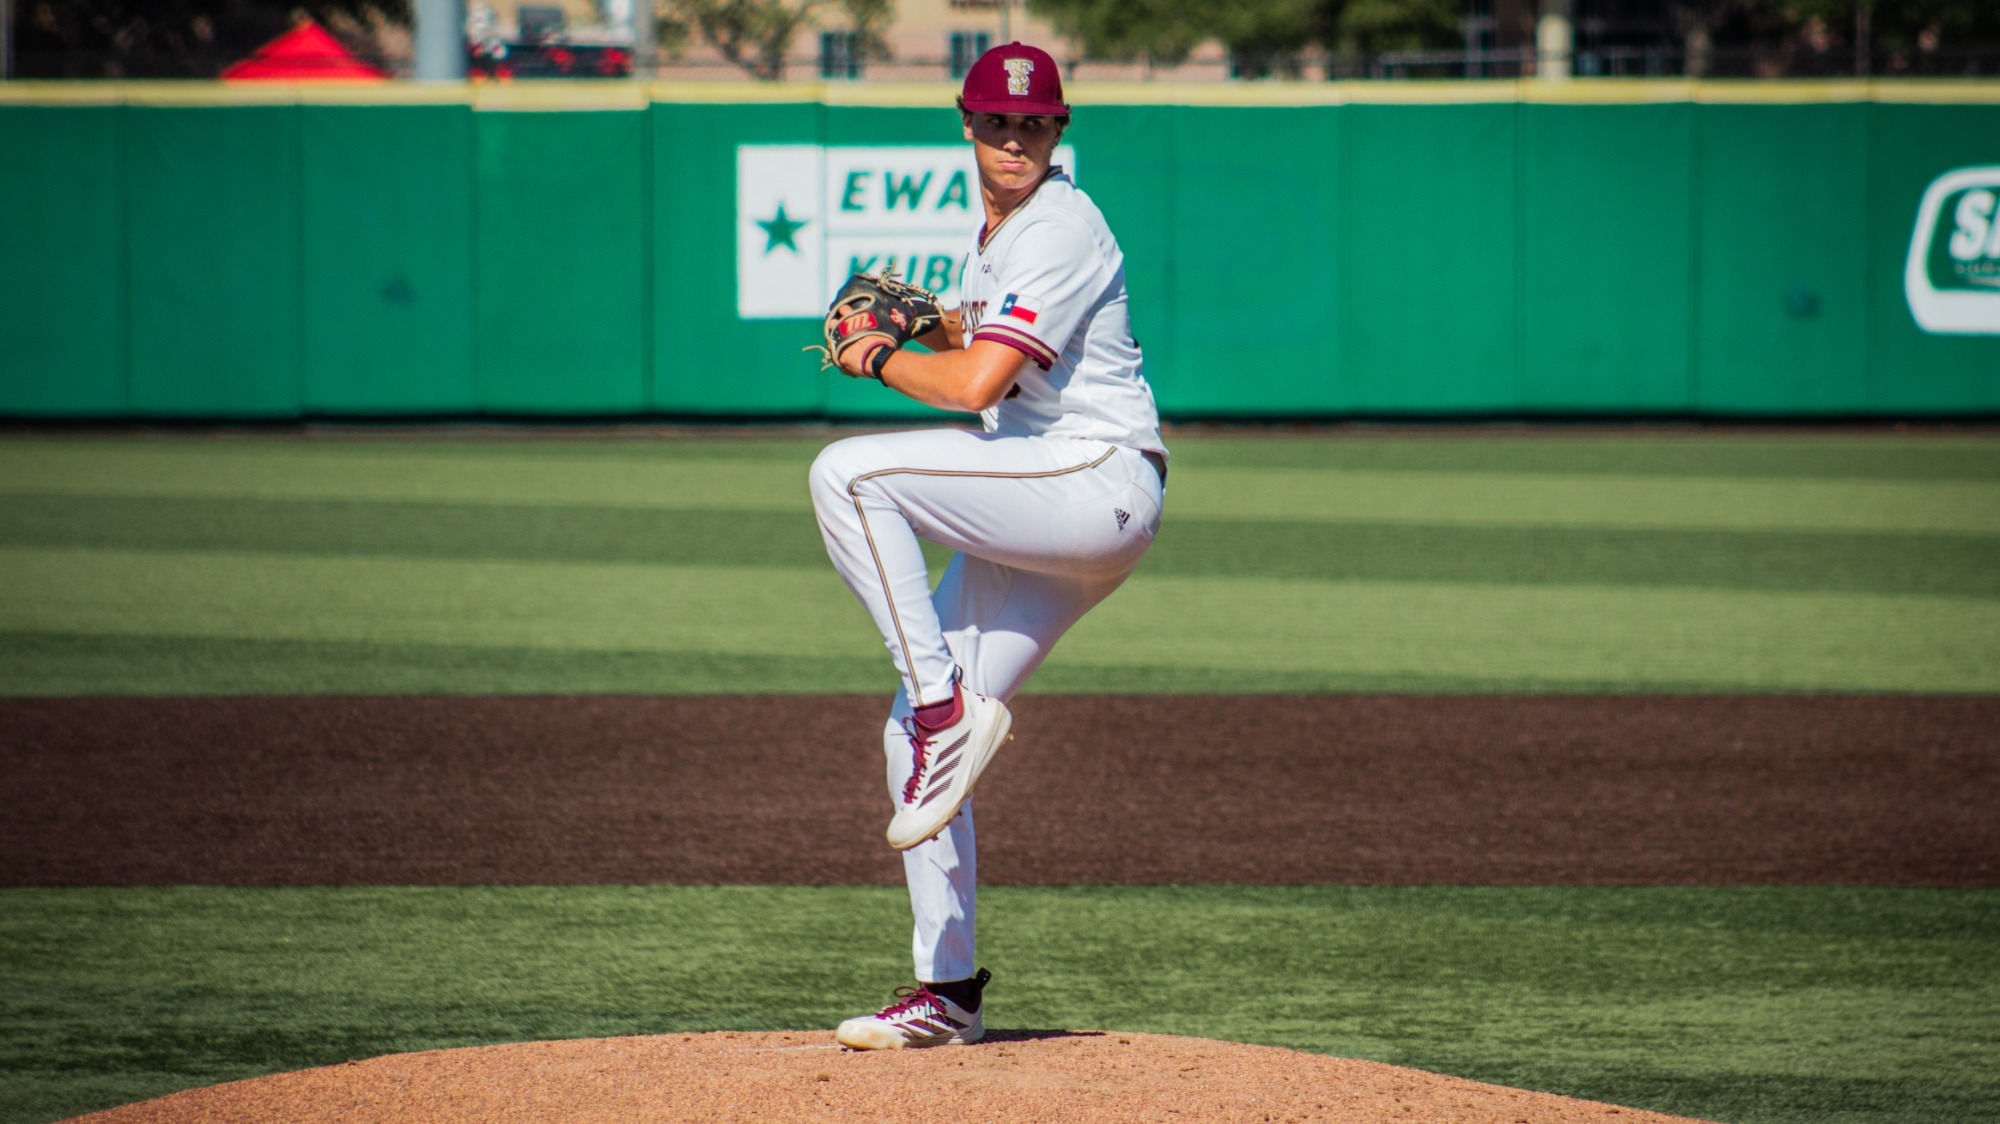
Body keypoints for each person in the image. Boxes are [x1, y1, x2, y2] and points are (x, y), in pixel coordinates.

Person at [808, 41, 1168, 1051]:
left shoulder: (1060, 223)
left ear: (1057, 130)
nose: (1014, 138)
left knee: (846, 471)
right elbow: (984, 361)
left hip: (1089, 480)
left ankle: (944, 703)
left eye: (1033, 123)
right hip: (1039, 491)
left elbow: (973, 388)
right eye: (996, 122)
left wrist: (881, 353)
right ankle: (947, 989)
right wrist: (939, 320)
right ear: (967, 125)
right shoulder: (995, 234)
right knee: (908, 752)